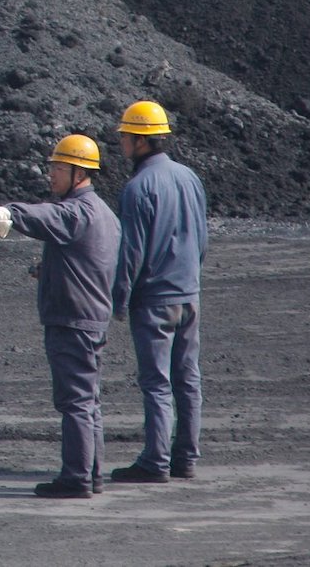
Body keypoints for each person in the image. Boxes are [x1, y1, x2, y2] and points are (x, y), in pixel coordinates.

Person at [0, 134, 121, 497]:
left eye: (58, 168)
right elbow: (88, 260)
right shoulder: (105, 215)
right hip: (92, 316)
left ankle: (77, 479)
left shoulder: (77, 211)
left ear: (79, 173)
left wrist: (8, 212)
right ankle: (92, 475)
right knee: (89, 401)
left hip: (73, 320)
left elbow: (49, 216)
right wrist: (48, 270)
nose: (51, 174)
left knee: (76, 402)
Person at [109, 98, 208, 484]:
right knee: (188, 378)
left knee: (156, 382)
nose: (121, 145)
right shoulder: (189, 177)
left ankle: (155, 461)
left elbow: (130, 251)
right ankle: (185, 459)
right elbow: (201, 237)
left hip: (154, 300)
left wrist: (120, 298)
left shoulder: (137, 188)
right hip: (188, 293)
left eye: (126, 138)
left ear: (141, 141)